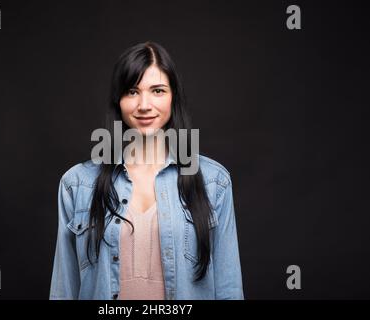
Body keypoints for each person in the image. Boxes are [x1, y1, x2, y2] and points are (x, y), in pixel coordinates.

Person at [50, 41, 244, 300]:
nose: (144, 104)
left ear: (173, 95)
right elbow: (64, 290)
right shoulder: (77, 183)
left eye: (157, 90)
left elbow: (229, 289)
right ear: (118, 100)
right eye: (132, 91)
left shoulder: (213, 181)